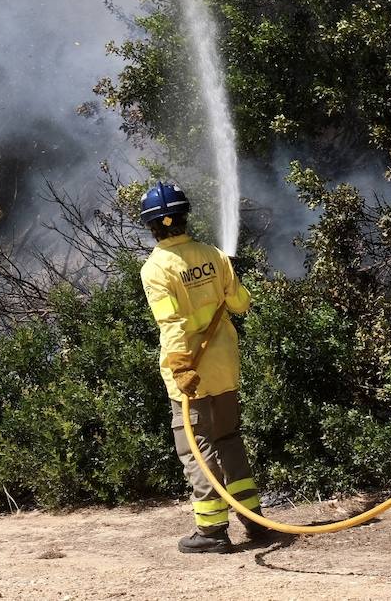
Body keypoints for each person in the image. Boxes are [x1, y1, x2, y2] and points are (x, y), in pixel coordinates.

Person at [138, 181, 273, 553]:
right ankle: (253, 519)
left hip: (190, 375)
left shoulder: (155, 269)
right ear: (183, 217)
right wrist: (229, 277)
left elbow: (172, 324)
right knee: (229, 440)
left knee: (197, 449)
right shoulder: (214, 254)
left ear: (151, 225)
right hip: (224, 367)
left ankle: (212, 531)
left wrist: (181, 368)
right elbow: (241, 304)